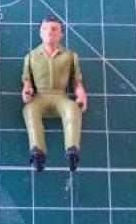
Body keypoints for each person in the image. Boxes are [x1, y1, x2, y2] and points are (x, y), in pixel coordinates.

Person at [21, 15, 88, 172]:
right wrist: (26, 92)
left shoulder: (70, 56)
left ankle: (72, 151)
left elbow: (77, 82)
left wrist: (81, 95)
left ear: (61, 34)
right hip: (40, 97)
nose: (49, 32)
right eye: (45, 28)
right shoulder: (31, 57)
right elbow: (26, 81)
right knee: (29, 110)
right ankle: (37, 152)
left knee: (72, 109)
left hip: (60, 97)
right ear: (40, 33)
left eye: (54, 29)